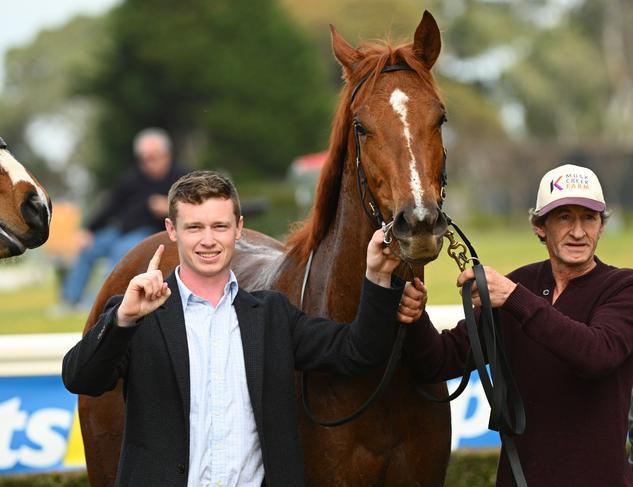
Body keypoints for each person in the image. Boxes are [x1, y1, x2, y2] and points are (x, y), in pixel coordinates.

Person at [62, 170, 415, 487]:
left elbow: (359, 351)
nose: (208, 240)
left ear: (239, 228)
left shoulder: (272, 316)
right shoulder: (136, 315)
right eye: (194, 227)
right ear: (171, 231)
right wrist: (123, 319)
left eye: (219, 226)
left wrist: (377, 278)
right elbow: (82, 378)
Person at [400, 163, 633, 486]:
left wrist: (515, 298)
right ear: (540, 226)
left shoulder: (622, 287)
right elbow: (440, 361)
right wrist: (415, 319)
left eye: (589, 218)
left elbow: (596, 355)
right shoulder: (519, 285)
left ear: (601, 226)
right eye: (565, 217)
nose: (578, 232)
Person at [57, 127, 186, 311]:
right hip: (121, 230)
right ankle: (69, 301)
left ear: (167, 154)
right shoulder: (132, 178)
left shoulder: (182, 177)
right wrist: (88, 230)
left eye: (154, 157)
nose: (149, 163)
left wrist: (170, 207)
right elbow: (110, 206)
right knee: (88, 248)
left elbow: (195, 208)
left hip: (152, 234)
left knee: (121, 252)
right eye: (144, 159)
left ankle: (96, 304)